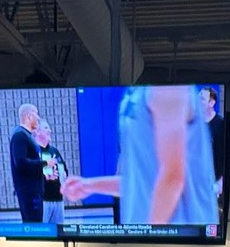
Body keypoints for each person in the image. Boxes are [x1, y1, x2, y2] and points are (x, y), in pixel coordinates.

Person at [63, 86, 218, 229]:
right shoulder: (134, 95)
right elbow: (142, 183)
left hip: (181, 236)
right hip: (151, 237)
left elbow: (172, 178)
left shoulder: (167, 90)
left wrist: (148, 237)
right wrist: (89, 186)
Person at [9, 103, 45, 224]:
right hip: (29, 192)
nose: (38, 118)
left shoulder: (27, 135)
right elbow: (20, 162)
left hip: (34, 191)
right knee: (34, 225)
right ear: (29, 116)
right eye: (36, 114)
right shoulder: (20, 135)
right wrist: (44, 163)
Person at [33, 119, 68, 226]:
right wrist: (46, 177)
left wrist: (64, 175)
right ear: (37, 131)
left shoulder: (54, 151)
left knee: (59, 230)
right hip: (42, 201)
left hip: (58, 200)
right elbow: (30, 173)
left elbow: (64, 168)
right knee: (42, 231)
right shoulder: (32, 151)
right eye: (46, 128)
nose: (50, 130)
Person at [199, 86, 226, 198]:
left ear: (212, 103)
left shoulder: (221, 124)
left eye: (202, 99)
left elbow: (224, 155)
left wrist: (221, 180)